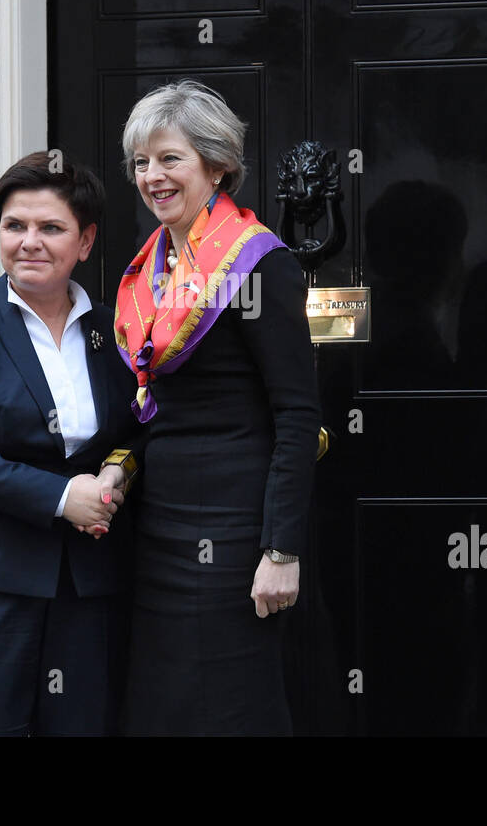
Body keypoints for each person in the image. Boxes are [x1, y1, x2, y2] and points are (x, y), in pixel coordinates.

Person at [114, 80, 321, 734]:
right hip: (161, 533)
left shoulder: (261, 265)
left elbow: (297, 415)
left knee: (233, 705)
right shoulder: (151, 265)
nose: (153, 176)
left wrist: (280, 550)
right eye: (142, 162)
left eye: (170, 158)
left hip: (234, 534)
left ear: (216, 163)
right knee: (165, 704)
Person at [0, 151, 141, 735]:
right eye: (15, 226)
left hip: (87, 590)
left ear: (85, 242)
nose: (29, 242)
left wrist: (112, 478)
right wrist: (66, 498)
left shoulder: (114, 331)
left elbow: (136, 434)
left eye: (51, 228)